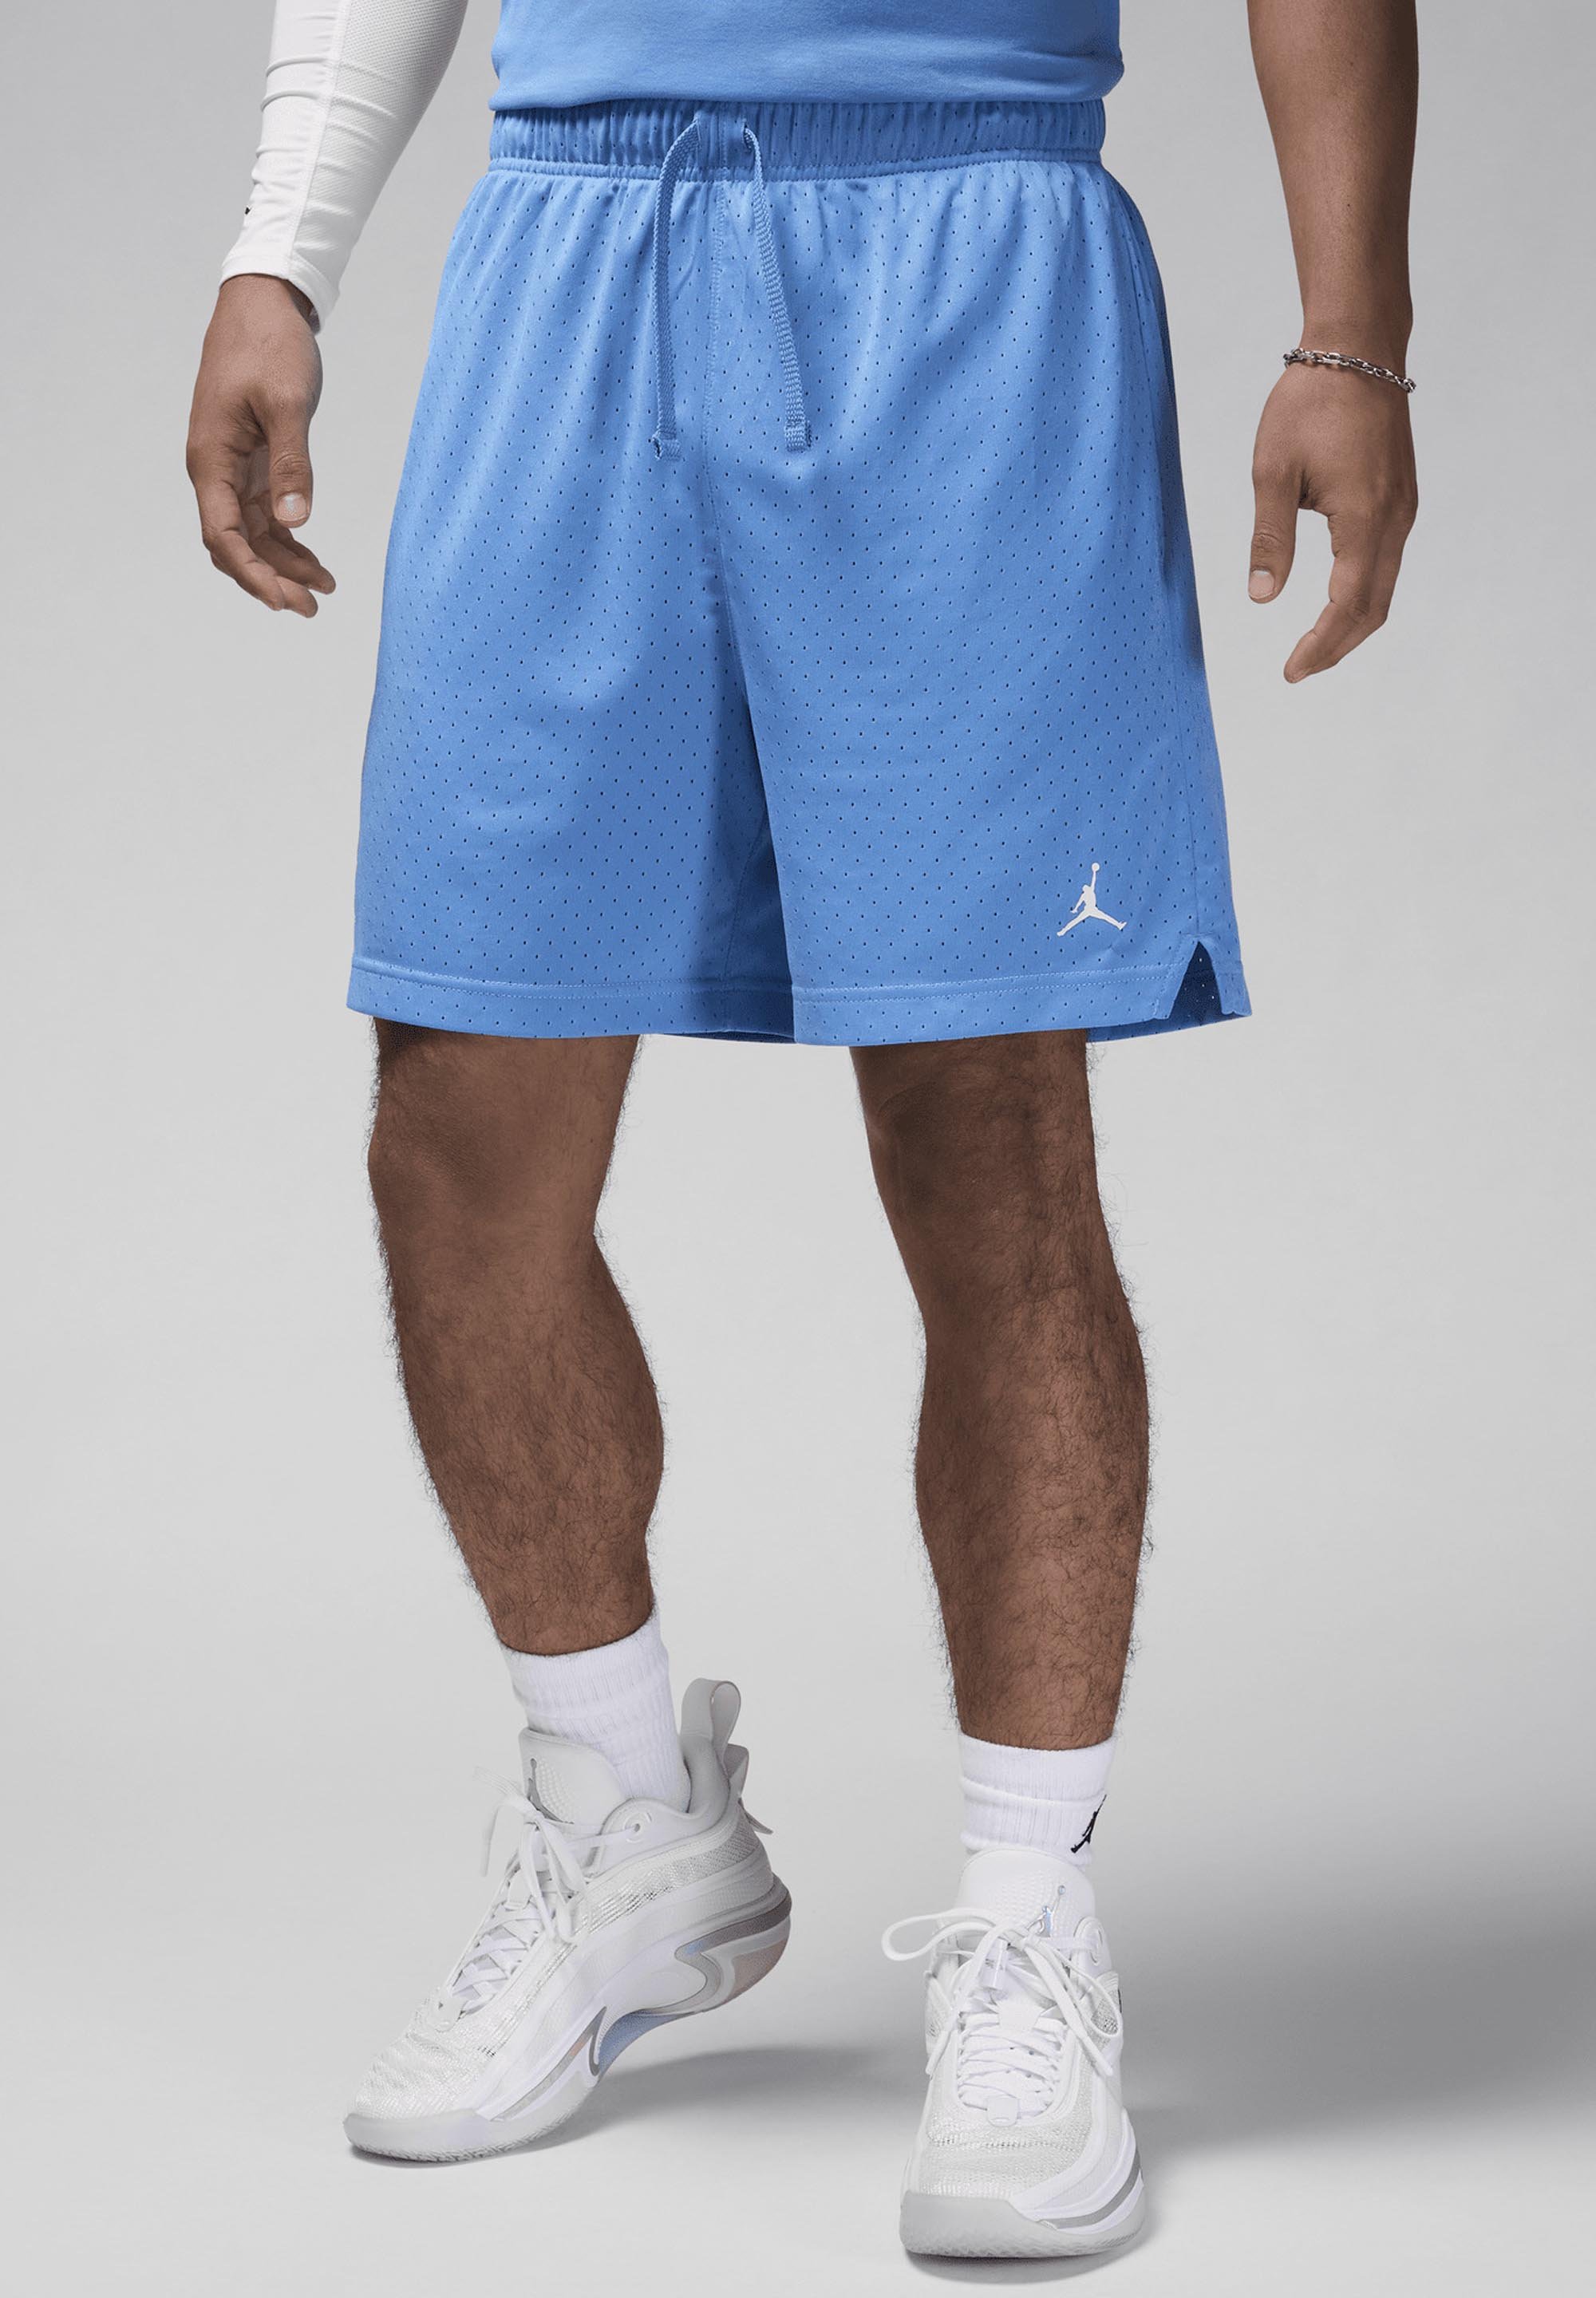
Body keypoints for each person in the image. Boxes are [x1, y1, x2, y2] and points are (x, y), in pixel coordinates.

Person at [188, 0, 1416, 2259]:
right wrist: (283, 244)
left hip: (967, 253)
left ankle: (1027, 1915)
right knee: (458, 1112)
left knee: (988, 1131)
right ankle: (624, 1822)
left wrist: (1353, 332)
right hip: (569, 252)